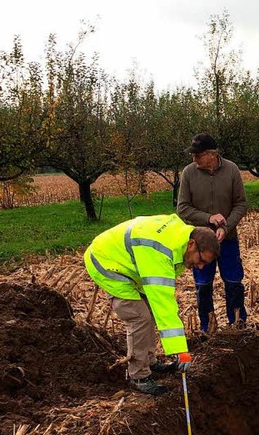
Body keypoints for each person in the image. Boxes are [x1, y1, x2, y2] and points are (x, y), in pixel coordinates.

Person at [84, 214, 220, 396]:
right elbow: (164, 305)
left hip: (129, 263)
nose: (201, 267)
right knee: (140, 317)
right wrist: (181, 351)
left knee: (148, 311)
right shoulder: (160, 253)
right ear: (192, 244)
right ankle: (138, 375)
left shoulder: (180, 237)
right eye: (201, 260)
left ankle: (149, 361)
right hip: (106, 263)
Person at [176, 133, 247, 334]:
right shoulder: (189, 173)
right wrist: (208, 218)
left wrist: (226, 227)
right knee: (203, 284)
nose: (194, 159)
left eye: (197, 155)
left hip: (229, 239)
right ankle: (208, 327)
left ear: (211, 155)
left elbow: (241, 204)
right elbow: (182, 208)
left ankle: (237, 325)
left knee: (234, 282)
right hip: (200, 243)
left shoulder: (232, 170)